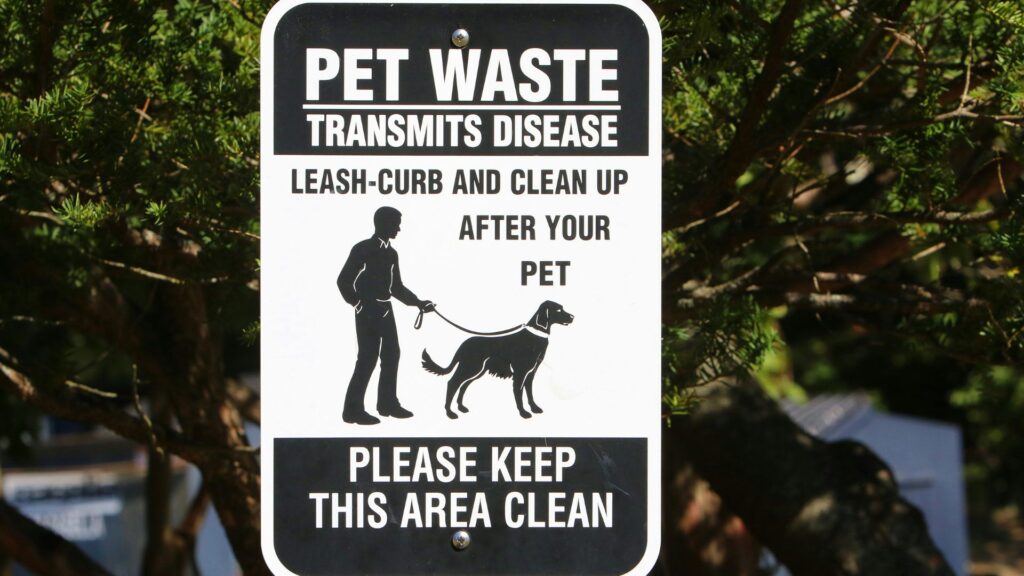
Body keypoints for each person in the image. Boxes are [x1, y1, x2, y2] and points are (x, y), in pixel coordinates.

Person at [337, 206, 434, 425]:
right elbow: (343, 280)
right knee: (367, 358)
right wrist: (357, 303)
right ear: (383, 223)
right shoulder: (363, 248)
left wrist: (418, 303)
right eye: (395, 223)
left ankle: (387, 404)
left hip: (386, 309)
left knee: (392, 355)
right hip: (367, 310)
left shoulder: (392, 253)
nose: (399, 228)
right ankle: (352, 410)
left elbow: (396, 287)